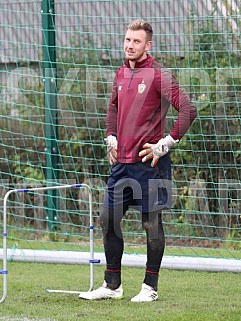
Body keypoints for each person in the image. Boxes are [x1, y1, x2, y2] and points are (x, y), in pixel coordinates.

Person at [79, 19, 197, 302]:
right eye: (127, 40)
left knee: (152, 224)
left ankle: (150, 288)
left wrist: (165, 145)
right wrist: (111, 138)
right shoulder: (120, 74)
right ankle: (112, 285)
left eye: (136, 41)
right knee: (108, 220)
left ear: (148, 45)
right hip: (121, 166)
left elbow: (189, 109)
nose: (130, 45)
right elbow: (113, 108)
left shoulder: (160, 75)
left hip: (152, 166)